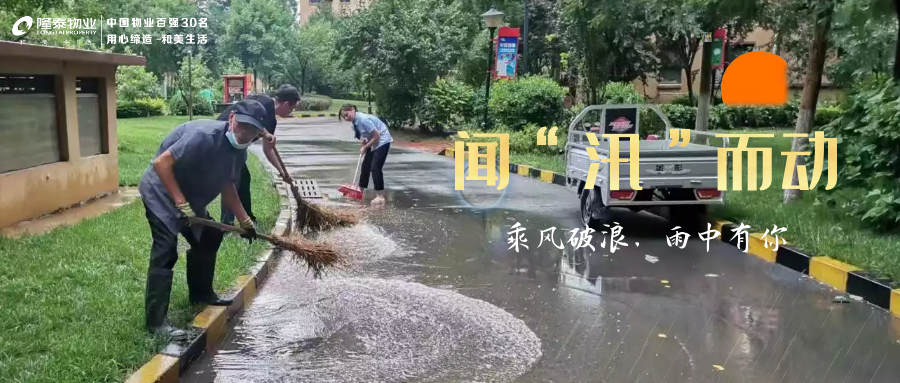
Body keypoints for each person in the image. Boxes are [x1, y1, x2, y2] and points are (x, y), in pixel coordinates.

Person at [138, 99, 269, 340]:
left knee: (209, 237)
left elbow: (227, 184)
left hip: (190, 197)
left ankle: (201, 294)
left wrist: (244, 220)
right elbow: (161, 163)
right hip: (161, 192)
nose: (243, 134)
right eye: (242, 126)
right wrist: (180, 203)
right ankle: (156, 323)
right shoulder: (203, 136)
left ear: (258, 133)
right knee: (165, 249)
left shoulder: (238, 153)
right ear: (232, 118)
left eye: (251, 130)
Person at [217, 84, 301, 225]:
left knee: (243, 178)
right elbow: (248, 120)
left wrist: (282, 172)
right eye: (293, 108)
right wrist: (266, 133)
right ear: (286, 104)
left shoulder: (272, 121)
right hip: (222, 139)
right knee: (232, 181)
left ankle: (247, 218)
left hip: (236, 147)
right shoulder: (262, 101)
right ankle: (227, 224)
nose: (292, 111)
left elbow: (268, 149)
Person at [341, 104, 393, 205]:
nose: (346, 118)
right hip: (373, 141)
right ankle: (360, 191)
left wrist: (365, 147)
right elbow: (363, 135)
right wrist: (363, 141)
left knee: (375, 167)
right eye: (344, 117)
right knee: (365, 166)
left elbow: (377, 136)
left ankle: (380, 196)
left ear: (352, 110)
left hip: (382, 140)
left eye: (347, 115)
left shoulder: (363, 120)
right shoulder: (354, 123)